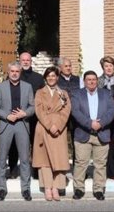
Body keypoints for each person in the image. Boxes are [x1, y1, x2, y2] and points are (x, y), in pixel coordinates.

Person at [70, 70, 114, 201]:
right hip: (83, 133)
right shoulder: (77, 94)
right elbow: (75, 111)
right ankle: (79, 189)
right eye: (88, 79)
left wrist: (100, 124)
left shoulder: (106, 94)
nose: (91, 81)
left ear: (97, 81)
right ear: (84, 81)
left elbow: (112, 110)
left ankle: (98, 189)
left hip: (102, 133)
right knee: (80, 163)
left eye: (94, 79)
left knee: (100, 164)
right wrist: (90, 123)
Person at [0, 61, 35, 202]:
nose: (15, 73)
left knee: (24, 159)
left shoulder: (28, 87)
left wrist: (25, 113)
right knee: (2, 159)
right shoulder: (0, 86)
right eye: (12, 71)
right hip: (6, 124)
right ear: (8, 72)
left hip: (22, 124)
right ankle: (2, 188)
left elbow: (33, 106)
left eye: (17, 71)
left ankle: (25, 189)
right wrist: (7, 115)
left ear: (20, 72)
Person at [33, 66, 71, 201]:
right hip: (44, 128)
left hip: (59, 130)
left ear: (57, 77)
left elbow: (66, 111)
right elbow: (39, 111)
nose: (51, 78)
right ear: (45, 78)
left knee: (59, 158)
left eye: (53, 76)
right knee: (45, 161)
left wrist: (58, 126)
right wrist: (50, 125)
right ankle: (47, 188)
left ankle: (57, 187)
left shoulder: (63, 93)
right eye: (48, 76)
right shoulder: (39, 93)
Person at [18, 51, 43, 180]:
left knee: (35, 144)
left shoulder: (38, 78)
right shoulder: (15, 75)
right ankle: (13, 168)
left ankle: (35, 169)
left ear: (31, 62)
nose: (26, 62)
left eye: (28, 60)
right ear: (20, 61)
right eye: (23, 60)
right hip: (17, 116)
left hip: (34, 117)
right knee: (16, 144)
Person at [99, 55, 114, 180]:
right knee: (102, 145)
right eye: (106, 66)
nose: (108, 68)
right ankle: (102, 172)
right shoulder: (97, 81)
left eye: (111, 66)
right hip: (102, 117)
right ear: (103, 67)